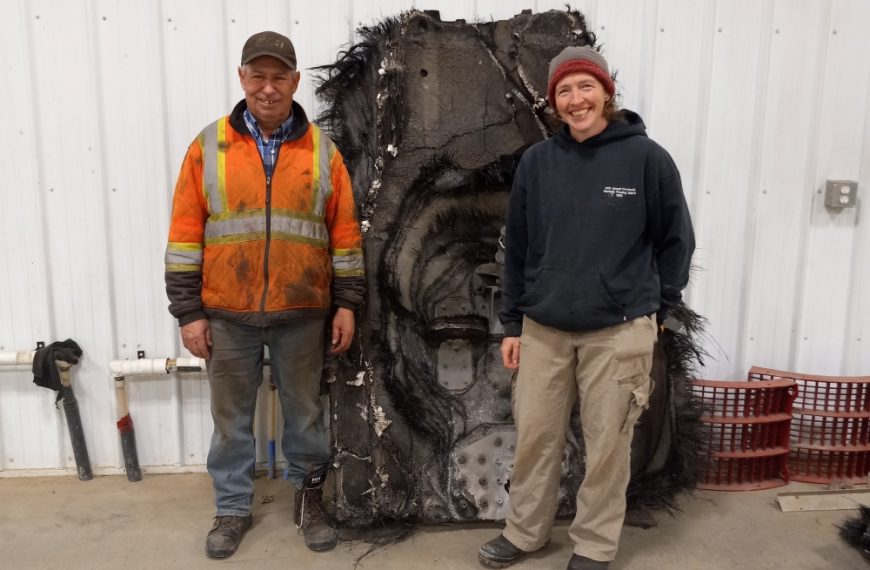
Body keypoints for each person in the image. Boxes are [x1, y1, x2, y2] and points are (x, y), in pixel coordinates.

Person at [479, 46, 695, 570]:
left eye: (585, 87)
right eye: (564, 91)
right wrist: (512, 324)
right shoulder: (538, 163)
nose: (576, 100)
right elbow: (519, 248)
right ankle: (525, 533)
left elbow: (676, 241)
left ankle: (595, 545)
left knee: (608, 447)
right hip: (543, 329)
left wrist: (659, 311)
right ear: (554, 102)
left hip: (618, 333)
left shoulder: (647, 159)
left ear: (606, 92)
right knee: (534, 439)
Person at [164, 31, 364, 559]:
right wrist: (188, 312)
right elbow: (185, 235)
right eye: (259, 76)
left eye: (280, 77)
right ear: (242, 78)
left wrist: (346, 303)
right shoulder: (208, 147)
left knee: (306, 415)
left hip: (302, 313)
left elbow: (345, 237)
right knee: (231, 422)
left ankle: (308, 500)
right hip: (225, 315)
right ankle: (232, 509)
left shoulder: (323, 151)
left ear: (296, 82)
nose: (269, 88)